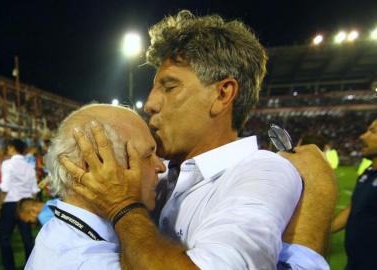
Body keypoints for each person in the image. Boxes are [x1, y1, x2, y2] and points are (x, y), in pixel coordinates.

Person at [62, 10, 337, 270]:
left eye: (170, 87)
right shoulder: (162, 173)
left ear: (222, 95)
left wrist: (122, 206)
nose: (150, 103)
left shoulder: (259, 171)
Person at [26, 104, 166, 269]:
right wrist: (125, 207)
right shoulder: (89, 263)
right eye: (148, 156)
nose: (161, 167)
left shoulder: (60, 232)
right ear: (92, 167)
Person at [331, 119, 377, 270]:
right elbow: (353, 208)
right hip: (355, 263)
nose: (363, 136)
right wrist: (323, 230)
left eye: (373, 131)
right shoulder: (368, 173)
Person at [0, 138, 39, 270]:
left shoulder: (7, 164)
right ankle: (31, 266)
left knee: (5, 238)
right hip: (25, 204)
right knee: (27, 239)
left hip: (10, 203)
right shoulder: (29, 166)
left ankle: (9, 267)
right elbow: (34, 190)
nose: (7, 149)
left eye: (8, 147)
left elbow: (5, 188)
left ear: (12, 148)